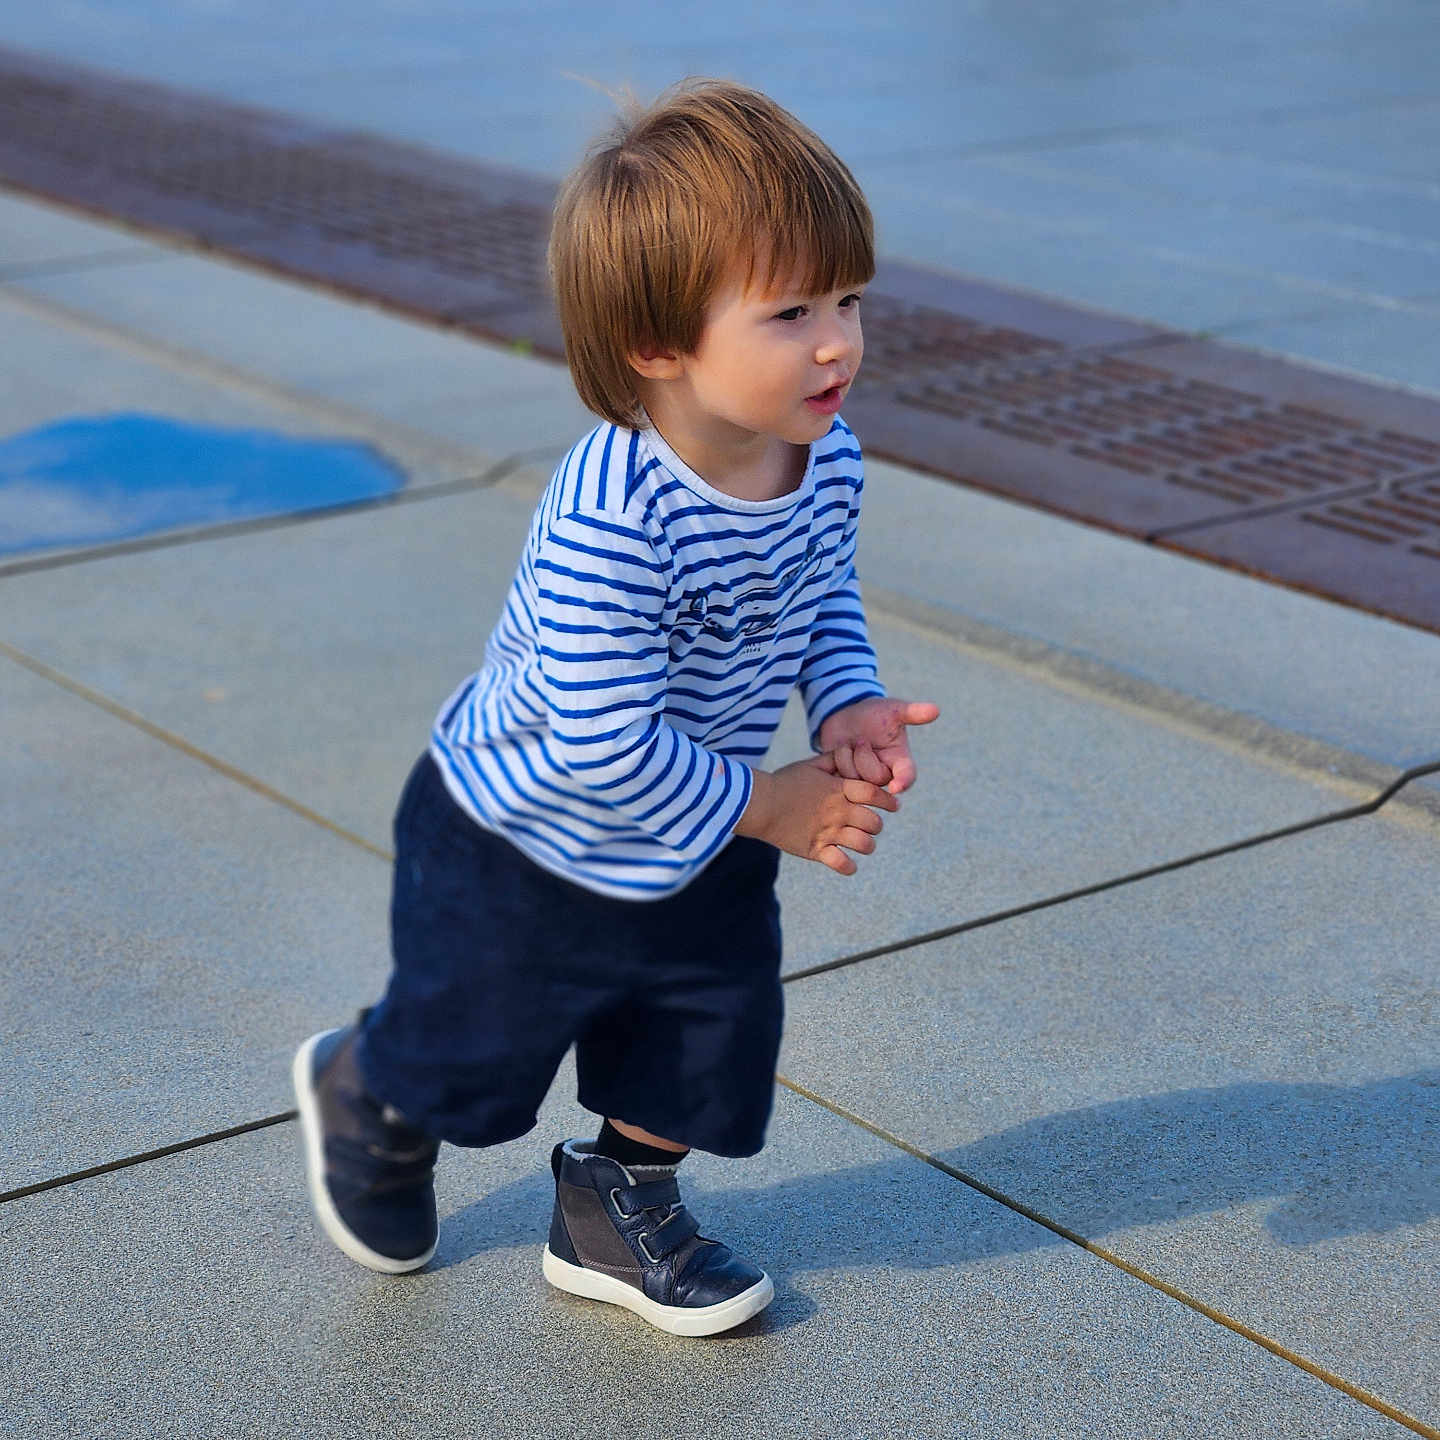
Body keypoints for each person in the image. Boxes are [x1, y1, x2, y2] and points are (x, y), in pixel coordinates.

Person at [293, 78, 939, 1338]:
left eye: (850, 298)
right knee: (477, 1055)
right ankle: (372, 1087)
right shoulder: (613, 519)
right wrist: (773, 805)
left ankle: (613, 1203)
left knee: (710, 1025)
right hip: (524, 836)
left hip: (693, 819)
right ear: (659, 346)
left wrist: (847, 696)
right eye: (791, 311)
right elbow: (595, 740)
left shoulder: (828, 457)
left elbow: (821, 590)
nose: (839, 342)